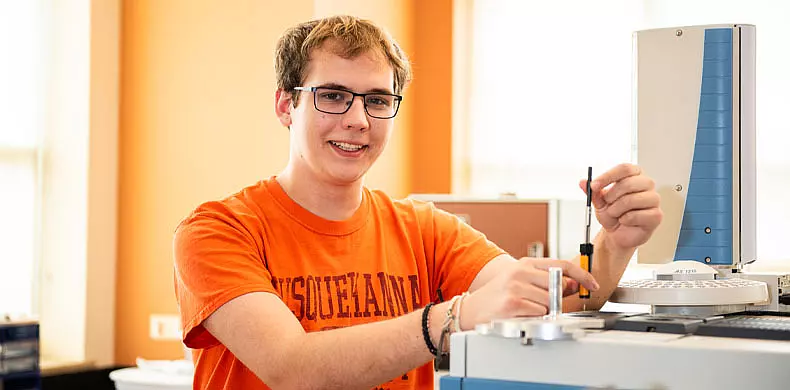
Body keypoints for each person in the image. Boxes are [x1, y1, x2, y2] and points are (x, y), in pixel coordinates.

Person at [173, 14, 663, 390]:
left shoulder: (423, 228)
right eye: (333, 96)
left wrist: (615, 242)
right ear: (286, 105)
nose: (358, 119)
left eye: (377, 100)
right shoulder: (217, 230)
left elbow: (540, 298)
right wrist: (452, 318)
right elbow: (290, 367)